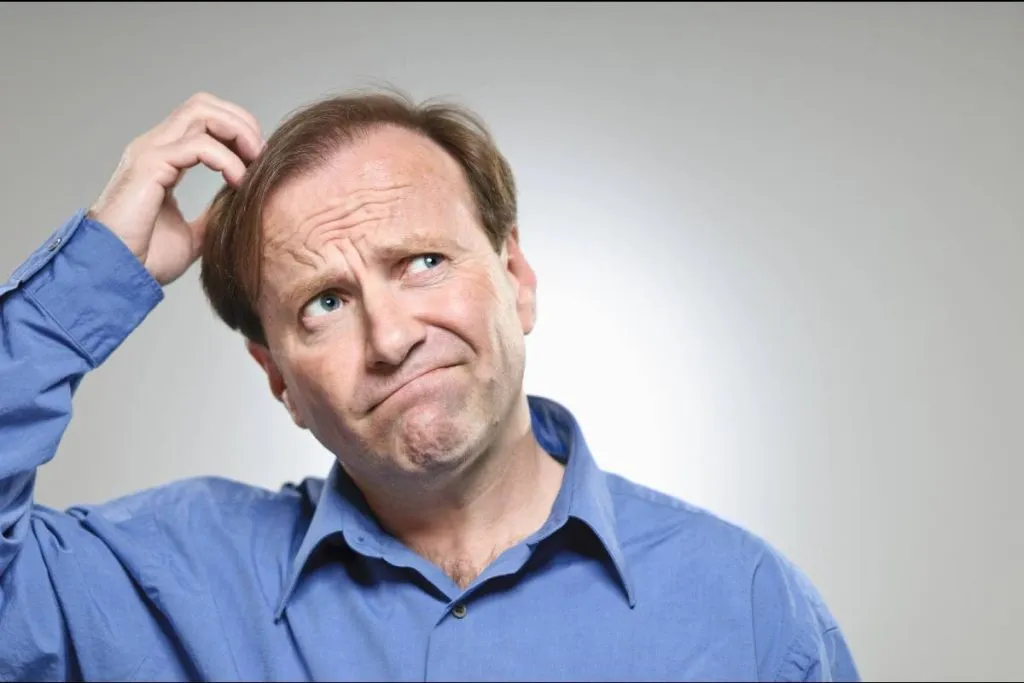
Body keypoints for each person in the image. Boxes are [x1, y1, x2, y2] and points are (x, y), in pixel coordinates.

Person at [0, 89, 860, 682]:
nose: (392, 335)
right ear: (280, 384)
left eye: (423, 262)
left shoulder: (747, 607)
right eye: (325, 303)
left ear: (516, 275)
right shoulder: (167, 583)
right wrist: (91, 280)